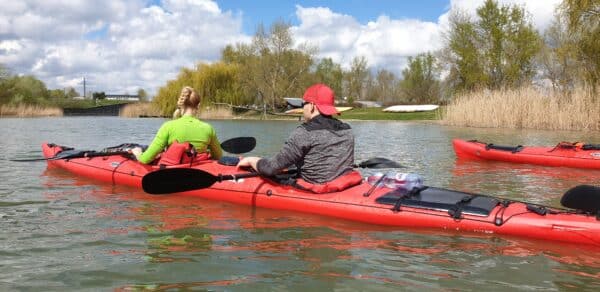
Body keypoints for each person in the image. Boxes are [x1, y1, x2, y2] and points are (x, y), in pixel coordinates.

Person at [237, 84, 357, 192]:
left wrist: (252, 160)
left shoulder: (304, 132)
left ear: (312, 106)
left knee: (269, 172)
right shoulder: (347, 130)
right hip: (343, 186)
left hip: (315, 190)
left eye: (303, 104)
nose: (302, 108)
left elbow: (270, 168)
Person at [131, 86, 223, 164]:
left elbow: (145, 159)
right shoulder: (208, 128)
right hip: (199, 173)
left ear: (181, 104)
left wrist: (138, 153)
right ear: (198, 106)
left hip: (174, 174)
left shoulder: (168, 126)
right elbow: (218, 156)